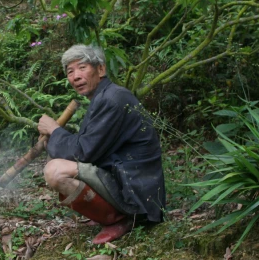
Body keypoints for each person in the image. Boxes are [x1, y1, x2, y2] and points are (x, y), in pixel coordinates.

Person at [37, 44, 166, 244]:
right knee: (57, 160)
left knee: (55, 171)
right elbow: (86, 146)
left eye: (82, 67)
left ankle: (121, 218)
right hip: (123, 177)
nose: (76, 76)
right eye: (70, 72)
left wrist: (54, 130)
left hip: (135, 190)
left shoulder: (112, 99)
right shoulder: (104, 97)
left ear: (101, 69)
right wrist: (55, 137)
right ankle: (111, 212)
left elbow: (82, 152)